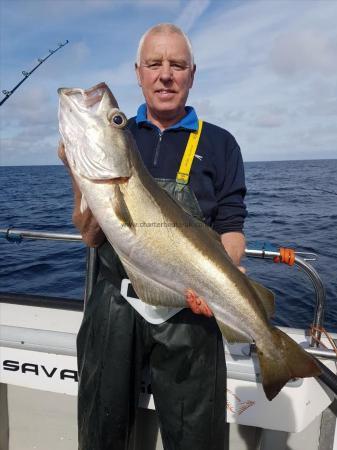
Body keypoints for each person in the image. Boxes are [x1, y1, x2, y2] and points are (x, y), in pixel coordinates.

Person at [60, 23, 247, 450]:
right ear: (139, 73)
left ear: (192, 74)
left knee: (195, 437)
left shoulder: (221, 144)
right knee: (100, 430)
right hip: (115, 303)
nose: (166, 74)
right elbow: (90, 235)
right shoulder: (116, 136)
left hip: (190, 309)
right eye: (154, 64)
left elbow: (232, 229)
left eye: (177, 65)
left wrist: (221, 278)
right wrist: (81, 173)